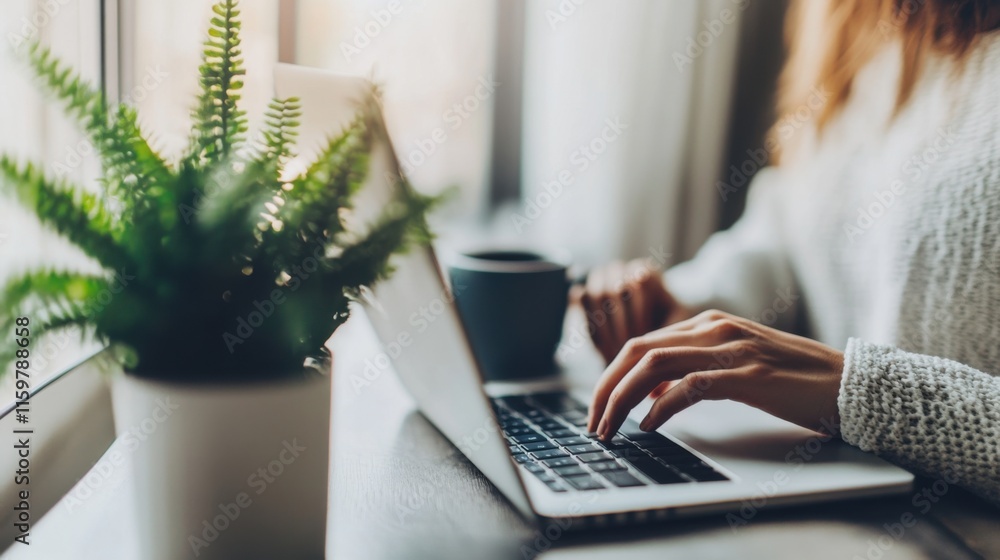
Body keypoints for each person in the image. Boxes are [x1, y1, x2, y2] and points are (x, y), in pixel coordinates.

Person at [579, 0, 1000, 505]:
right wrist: (684, 307)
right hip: (845, 494)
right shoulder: (853, 21)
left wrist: (862, 394)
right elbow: (791, 237)